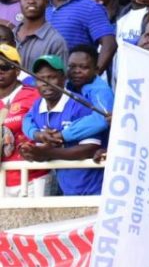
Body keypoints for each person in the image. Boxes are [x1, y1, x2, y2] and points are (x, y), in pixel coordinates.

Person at [20, 54, 104, 196]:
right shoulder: (37, 106)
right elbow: (28, 125)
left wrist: (47, 153)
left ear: (63, 78)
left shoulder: (79, 105)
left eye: (52, 77)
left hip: (93, 186)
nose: (46, 83)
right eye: (41, 79)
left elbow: (90, 148)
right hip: (66, 186)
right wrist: (31, 151)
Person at [44, 0, 115, 74]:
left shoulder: (90, 7)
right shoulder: (42, 7)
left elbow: (109, 44)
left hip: (74, 85)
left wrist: (93, 75)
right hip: (42, 81)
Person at [0, 44, 48, 197]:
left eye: (5, 66)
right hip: (2, 179)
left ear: (17, 70)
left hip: (33, 176)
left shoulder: (34, 95)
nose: (0, 71)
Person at [15, 0, 67, 68]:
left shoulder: (55, 41)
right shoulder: (9, 35)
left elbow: (60, 79)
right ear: (19, 1)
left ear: (47, 2)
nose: (31, 1)